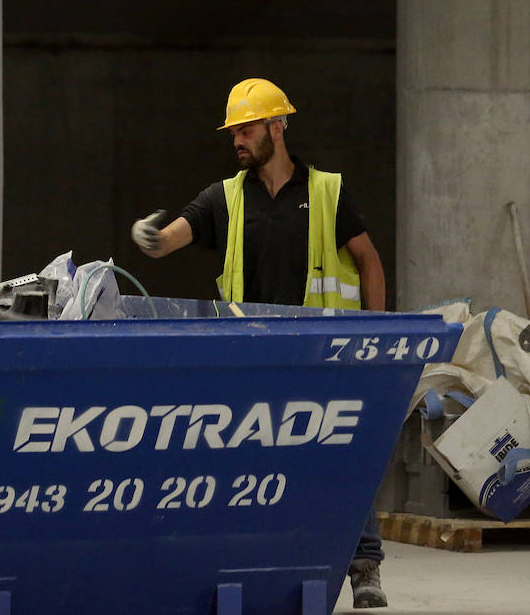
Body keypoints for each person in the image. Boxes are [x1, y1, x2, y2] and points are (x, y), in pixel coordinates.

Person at [131, 77, 390, 608]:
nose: (237, 141)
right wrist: (151, 240)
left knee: (345, 459)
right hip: (255, 357)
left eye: (245, 129)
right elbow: (172, 237)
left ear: (277, 127)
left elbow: (368, 260)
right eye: (233, 133)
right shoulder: (224, 198)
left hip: (322, 354)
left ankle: (364, 567)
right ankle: (258, 568)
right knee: (251, 468)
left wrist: (374, 337)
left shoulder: (326, 192)